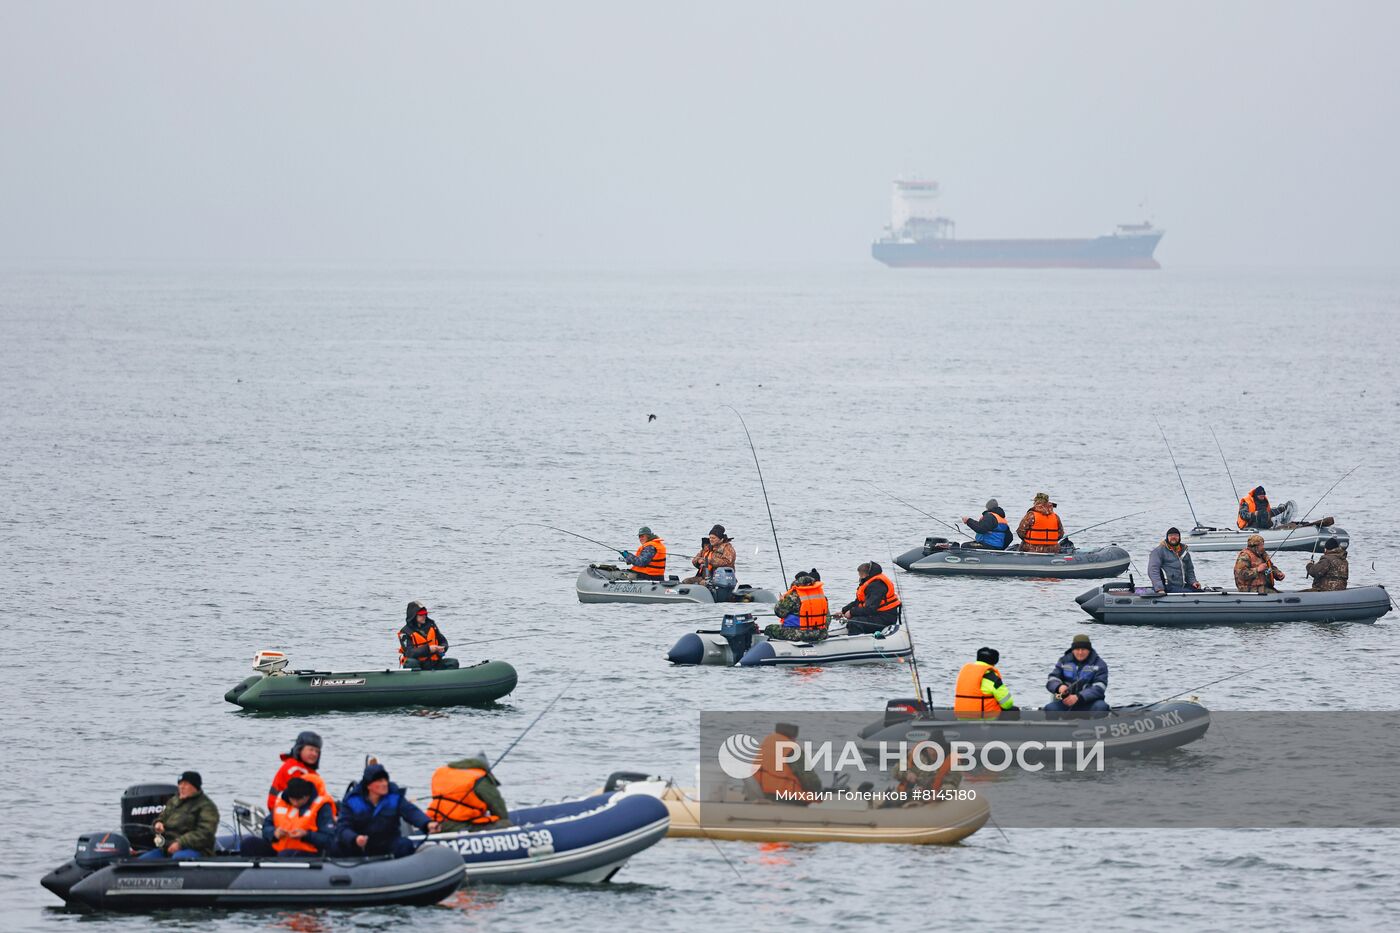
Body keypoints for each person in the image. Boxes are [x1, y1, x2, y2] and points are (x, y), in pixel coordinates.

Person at [334, 762, 439, 858]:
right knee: (338, 847)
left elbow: (411, 812)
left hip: (388, 842)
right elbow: (343, 827)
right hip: (362, 846)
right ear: (369, 785)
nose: (384, 784)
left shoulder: (394, 797)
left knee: (405, 845)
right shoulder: (352, 801)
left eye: (385, 780)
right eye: (379, 781)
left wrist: (427, 824)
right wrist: (355, 839)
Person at [241, 777, 335, 857]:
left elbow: (329, 839)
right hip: (279, 848)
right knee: (248, 843)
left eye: (299, 800)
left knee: (285, 855)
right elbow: (266, 825)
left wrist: (306, 835)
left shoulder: (321, 807)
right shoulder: (282, 803)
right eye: (292, 799)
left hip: (308, 853)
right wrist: (274, 833)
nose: (295, 803)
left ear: (307, 796)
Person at [140, 771, 219, 859]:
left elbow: (205, 832)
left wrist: (180, 843)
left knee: (178, 857)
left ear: (195, 787)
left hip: (196, 849)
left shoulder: (206, 806)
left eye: (186, 784)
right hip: (167, 848)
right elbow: (162, 817)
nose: (182, 787)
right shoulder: (173, 802)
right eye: (180, 784)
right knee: (143, 860)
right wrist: (158, 824)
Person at [427, 756, 511, 831]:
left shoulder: (443, 772)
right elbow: (497, 805)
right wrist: (504, 821)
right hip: (458, 825)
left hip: (433, 822)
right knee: (505, 824)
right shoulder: (479, 777)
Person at [754, 722, 823, 803]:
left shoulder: (766, 742)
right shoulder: (793, 750)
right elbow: (811, 782)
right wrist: (820, 793)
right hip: (786, 798)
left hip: (761, 793)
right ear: (794, 736)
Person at [268, 731, 334, 815]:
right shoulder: (294, 770)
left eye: (317, 751)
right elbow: (304, 798)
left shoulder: (306, 770)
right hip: (284, 812)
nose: (314, 754)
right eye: (311, 750)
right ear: (300, 749)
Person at [1043, 634, 1110, 713]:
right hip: (1066, 702)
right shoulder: (1063, 661)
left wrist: (1079, 697)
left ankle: (1095, 723)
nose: (1080, 652)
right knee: (1050, 708)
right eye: (1077, 649)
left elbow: (1099, 688)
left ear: (1089, 650)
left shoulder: (1100, 664)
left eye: (1083, 649)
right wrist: (1059, 687)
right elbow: (1052, 679)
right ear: (1073, 650)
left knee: (1102, 707)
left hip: (1090, 703)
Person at [764, 569, 828, 642]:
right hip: (821, 633)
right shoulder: (820, 595)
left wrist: (781, 601)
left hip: (802, 634)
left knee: (769, 629)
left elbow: (779, 612)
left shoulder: (794, 595)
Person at [839, 561, 902, 635]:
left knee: (854, 622)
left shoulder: (876, 586)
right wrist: (843, 611)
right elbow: (858, 602)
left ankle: (856, 643)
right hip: (877, 615)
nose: (860, 578)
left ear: (866, 574)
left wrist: (852, 612)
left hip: (885, 619)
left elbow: (870, 609)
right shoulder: (870, 583)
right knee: (853, 620)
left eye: (860, 575)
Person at [953, 647, 1016, 719]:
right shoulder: (992, 677)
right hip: (982, 719)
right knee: (1014, 711)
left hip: (960, 716)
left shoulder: (964, 672)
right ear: (995, 661)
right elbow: (1007, 704)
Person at [399, 601, 457, 670]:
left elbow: (443, 641)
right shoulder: (404, 632)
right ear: (413, 616)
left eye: (425, 614)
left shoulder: (432, 625)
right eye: (421, 614)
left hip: (434, 663)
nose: (424, 616)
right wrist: (428, 649)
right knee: (411, 662)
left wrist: (443, 648)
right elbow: (409, 652)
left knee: (453, 662)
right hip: (418, 664)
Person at [1147, 527, 1202, 595]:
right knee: (1189, 594)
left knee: (1199, 592)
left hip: (1181, 586)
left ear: (1179, 537)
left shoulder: (1184, 551)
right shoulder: (1158, 551)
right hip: (1167, 587)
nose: (1173, 537)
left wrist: (1193, 582)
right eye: (1171, 535)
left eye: (1176, 535)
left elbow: (1189, 570)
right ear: (1167, 537)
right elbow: (1153, 570)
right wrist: (1160, 589)